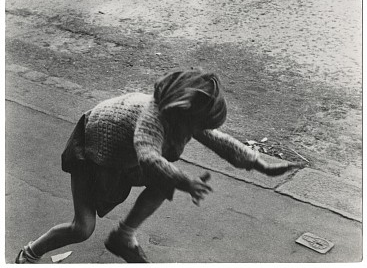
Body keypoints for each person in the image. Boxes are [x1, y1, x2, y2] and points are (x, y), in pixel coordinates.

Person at [16, 68, 300, 264]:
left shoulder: (185, 117)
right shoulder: (153, 118)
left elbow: (220, 141)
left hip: (123, 160)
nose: (200, 131)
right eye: (199, 125)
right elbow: (149, 158)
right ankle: (28, 254)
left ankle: (123, 236)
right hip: (92, 153)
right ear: (185, 113)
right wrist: (185, 181)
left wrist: (261, 164)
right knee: (82, 228)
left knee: (165, 179)